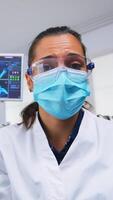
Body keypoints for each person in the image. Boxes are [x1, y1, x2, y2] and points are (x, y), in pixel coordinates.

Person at [0, 26, 113, 200]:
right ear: (29, 81)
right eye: (46, 67)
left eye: (75, 65)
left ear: (86, 73)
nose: (62, 75)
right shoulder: (4, 144)